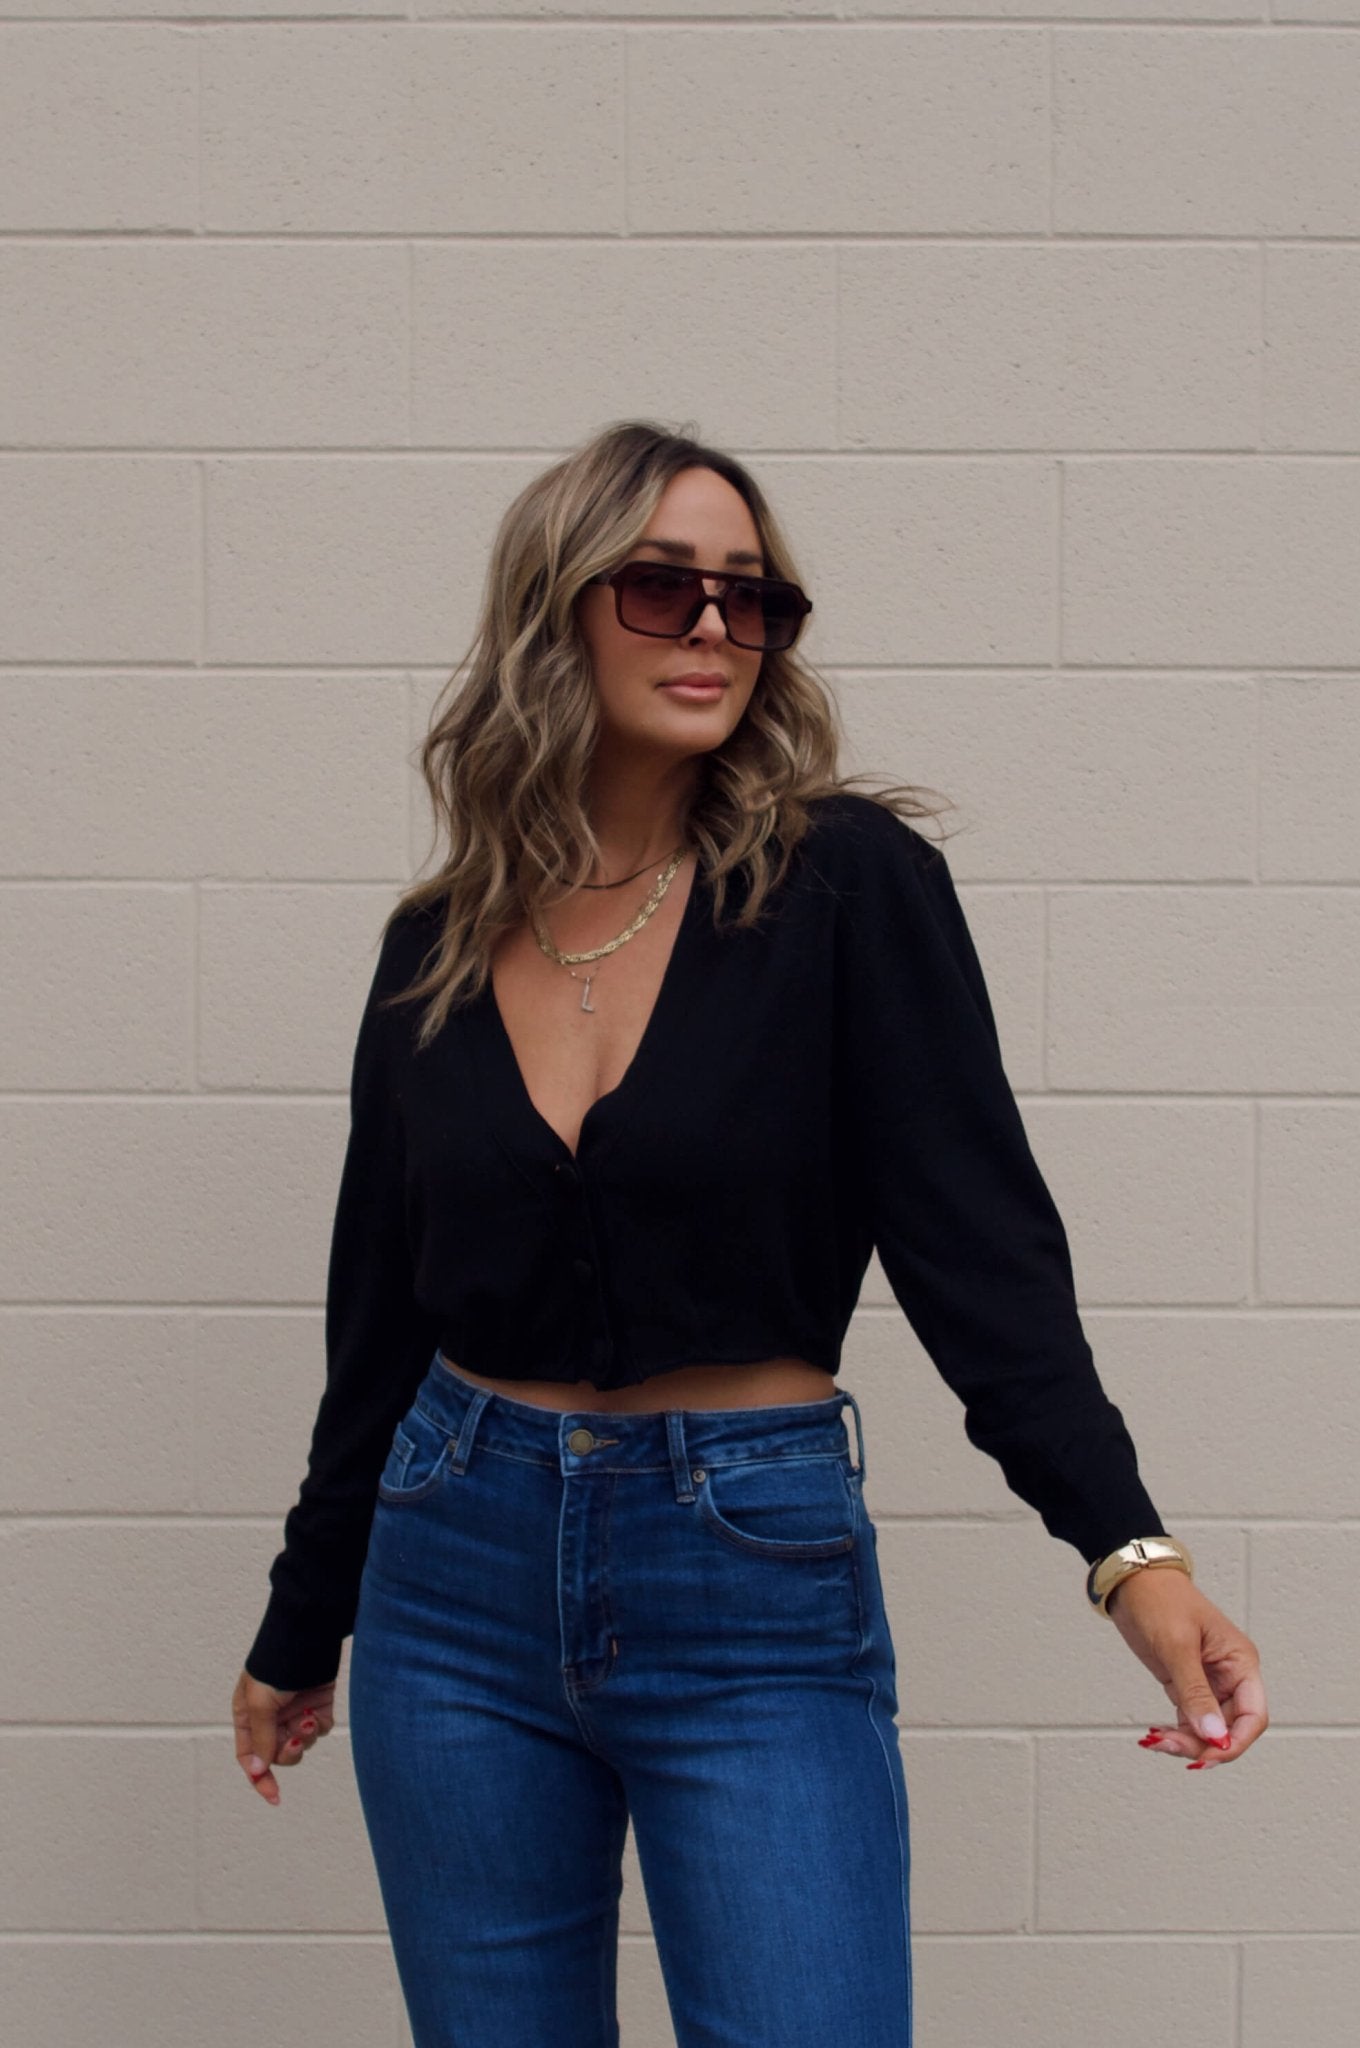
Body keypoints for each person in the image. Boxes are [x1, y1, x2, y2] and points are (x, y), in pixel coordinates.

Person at [231, 419, 1268, 2048]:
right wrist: (305, 1621)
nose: (716, 627)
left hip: (747, 1570)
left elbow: (979, 1253)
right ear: (554, 612)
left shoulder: (845, 886)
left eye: (749, 596)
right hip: (451, 1567)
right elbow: (378, 1307)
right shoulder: (438, 941)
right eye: (660, 589)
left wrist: (1128, 1555)